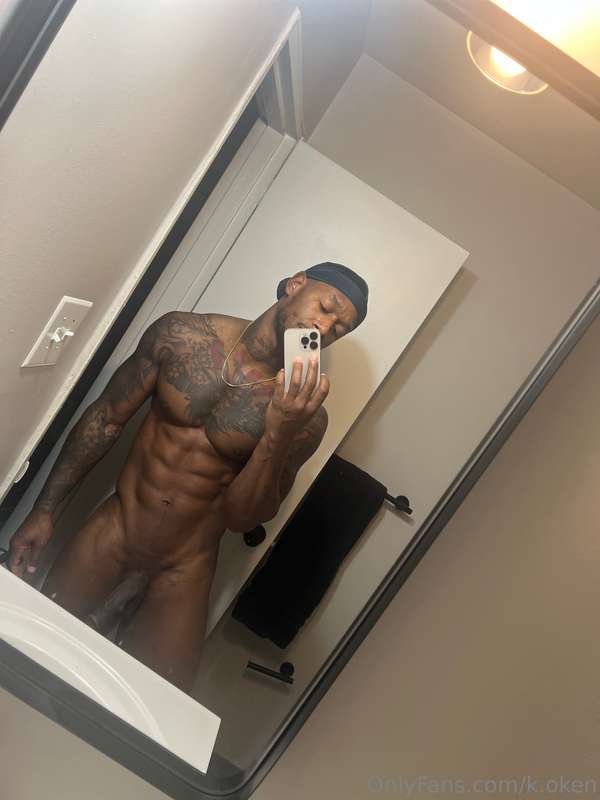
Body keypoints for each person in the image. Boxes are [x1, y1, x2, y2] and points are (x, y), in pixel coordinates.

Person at [7, 262, 369, 693]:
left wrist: (280, 431)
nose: (325, 328)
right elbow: (105, 419)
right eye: (327, 308)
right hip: (116, 529)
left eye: (340, 329)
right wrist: (44, 510)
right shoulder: (182, 335)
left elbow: (242, 517)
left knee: (148, 704)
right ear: (295, 285)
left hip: (186, 567)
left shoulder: (306, 418)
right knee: (29, 662)